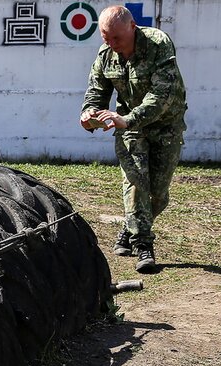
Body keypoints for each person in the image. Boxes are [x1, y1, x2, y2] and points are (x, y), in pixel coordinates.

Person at [80, 5, 187, 273]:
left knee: (159, 194)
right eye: (105, 37)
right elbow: (97, 91)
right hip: (129, 127)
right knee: (136, 180)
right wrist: (88, 114)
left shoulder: (158, 44)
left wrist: (128, 119)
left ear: (132, 26)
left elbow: (161, 95)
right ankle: (143, 245)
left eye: (116, 38)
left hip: (165, 125)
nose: (111, 43)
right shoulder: (106, 54)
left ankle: (130, 226)